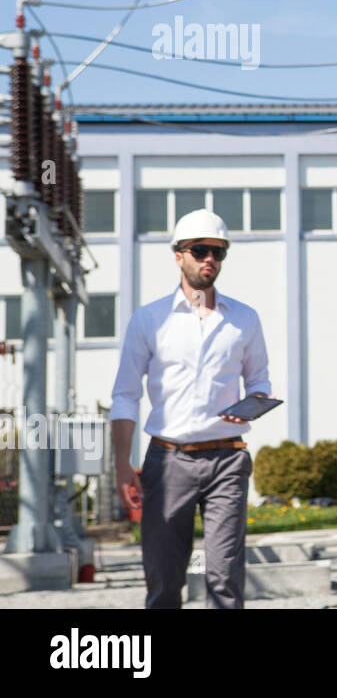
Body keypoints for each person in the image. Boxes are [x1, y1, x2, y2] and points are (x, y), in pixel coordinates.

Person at [110, 208, 272, 609]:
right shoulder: (149, 320)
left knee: (225, 579)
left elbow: (260, 383)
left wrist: (251, 408)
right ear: (178, 255)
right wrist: (121, 465)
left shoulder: (244, 319)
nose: (209, 260)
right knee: (164, 582)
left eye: (218, 253)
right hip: (167, 461)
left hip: (228, 460)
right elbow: (125, 395)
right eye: (200, 250)